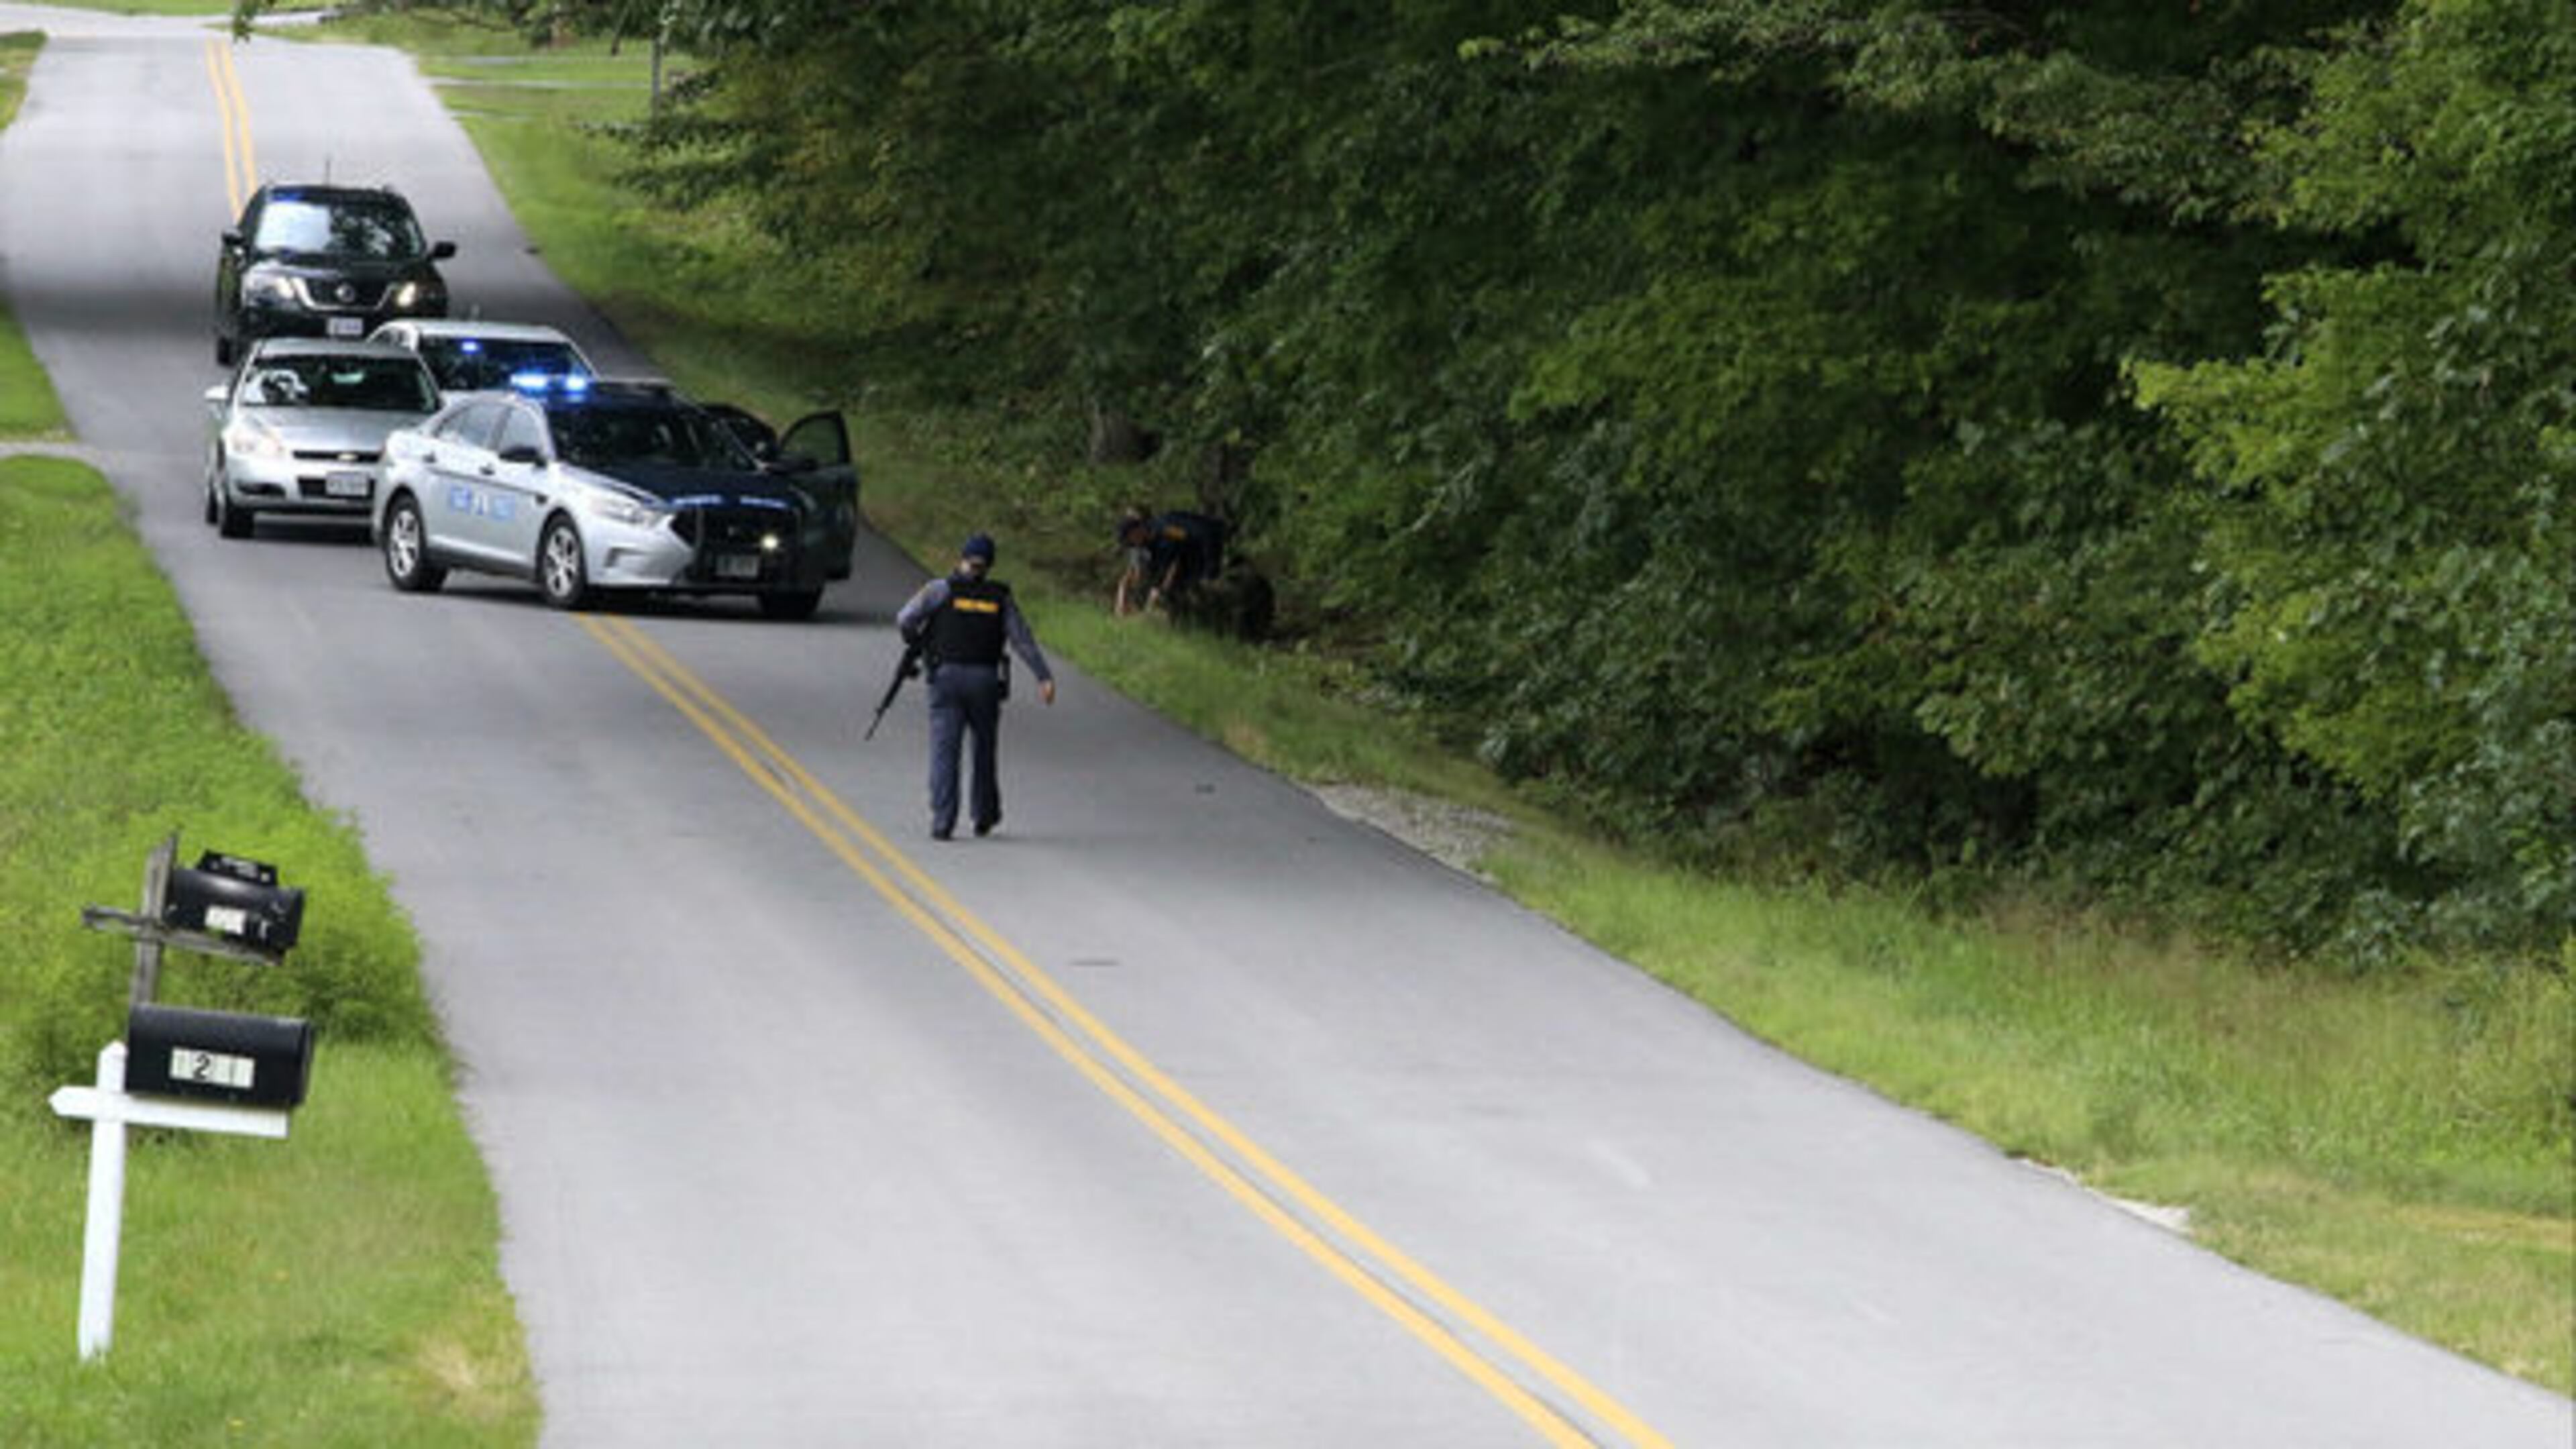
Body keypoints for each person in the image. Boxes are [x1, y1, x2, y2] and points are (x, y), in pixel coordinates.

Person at [892, 534, 1056, 840]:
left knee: (945, 751)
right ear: (990, 564)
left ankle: (943, 820)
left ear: (962, 558)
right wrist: (1043, 676)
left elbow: (905, 619)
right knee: (984, 750)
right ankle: (984, 814)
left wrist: (919, 640)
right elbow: (1021, 640)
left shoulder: (940, 590)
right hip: (984, 680)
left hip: (946, 678)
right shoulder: (1000, 597)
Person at [1114, 506, 1228, 617]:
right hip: (1191, 551)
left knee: (1199, 585)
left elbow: (1193, 536)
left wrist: (1210, 571)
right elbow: (1159, 566)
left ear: (1137, 531)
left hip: (1209, 542)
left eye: (1130, 540)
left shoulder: (1165, 529)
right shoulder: (1150, 541)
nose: (1132, 544)